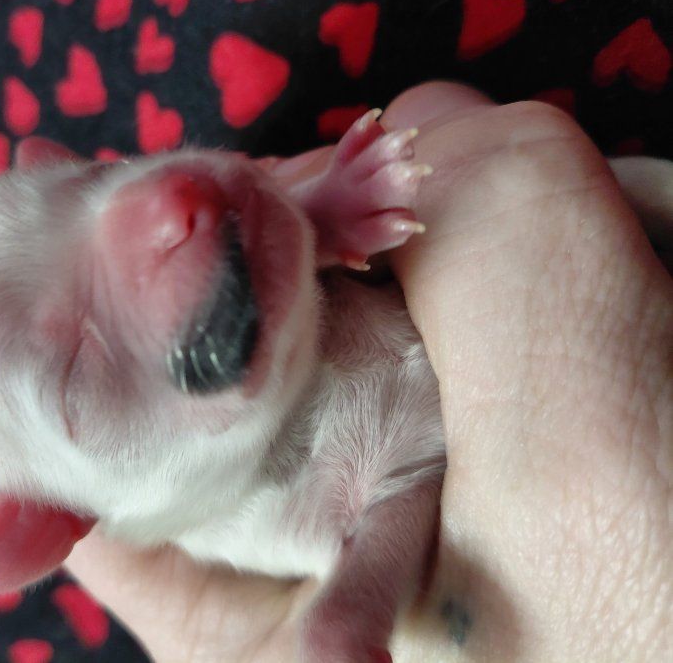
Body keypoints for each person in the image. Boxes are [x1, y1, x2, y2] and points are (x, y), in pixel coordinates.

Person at [64, 81, 673, 663]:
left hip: (528, 260)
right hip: (549, 291)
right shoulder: (233, 522)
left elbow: (300, 261)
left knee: (448, 129)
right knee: (454, 129)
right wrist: (349, 615)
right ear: (48, 518)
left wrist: (324, 215)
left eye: (95, 181)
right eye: (75, 365)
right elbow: (400, 508)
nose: (162, 203)